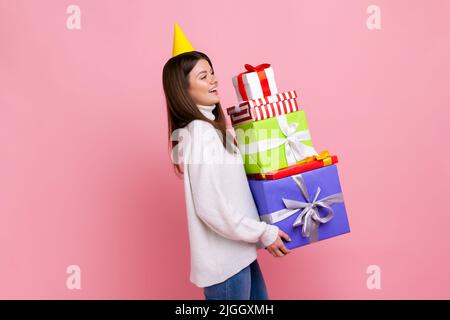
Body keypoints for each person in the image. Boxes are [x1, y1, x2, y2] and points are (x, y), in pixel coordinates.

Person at [162, 23, 291, 300]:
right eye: (203, 76)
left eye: (212, 73)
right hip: (226, 265)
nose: (214, 80)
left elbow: (236, 189)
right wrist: (264, 233)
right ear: (183, 89)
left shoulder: (214, 129)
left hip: (240, 255)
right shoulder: (199, 134)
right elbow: (210, 207)